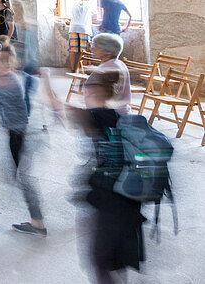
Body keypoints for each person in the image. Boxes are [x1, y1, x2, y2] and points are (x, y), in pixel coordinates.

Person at [42, 69, 145, 282]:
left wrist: (44, 76)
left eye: (86, 88)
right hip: (130, 197)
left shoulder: (93, 117)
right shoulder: (120, 117)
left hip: (109, 198)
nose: (83, 92)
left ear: (92, 91)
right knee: (116, 258)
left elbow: (55, 104)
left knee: (100, 260)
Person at [0, 42, 46, 237]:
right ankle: (36, 222)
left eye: (7, 61)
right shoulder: (0, 79)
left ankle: (38, 223)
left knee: (23, 179)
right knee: (18, 178)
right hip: (14, 134)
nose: (4, 64)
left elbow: (9, 111)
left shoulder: (10, 80)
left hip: (20, 135)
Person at [89, 32, 132, 113]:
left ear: (108, 51)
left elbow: (102, 101)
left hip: (111, 116)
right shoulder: (119, 63)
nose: (92, 49)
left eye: (96, 47)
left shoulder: (108, 69)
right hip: (119, 112)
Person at [67, 0, 95, 72]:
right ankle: (83, 69)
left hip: (73, 28)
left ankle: (72, 69)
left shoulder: (74, 4)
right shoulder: (89, 5)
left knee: (73, 50)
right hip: (84, 29)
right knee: (84, 51)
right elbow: (94, 17)